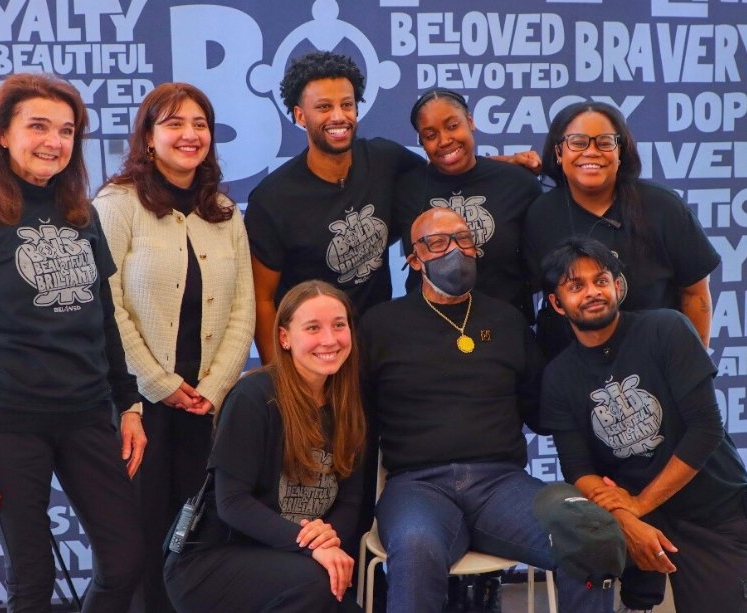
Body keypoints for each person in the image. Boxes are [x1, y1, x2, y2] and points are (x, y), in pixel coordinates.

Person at [0, 72, 145, 612]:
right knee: (33, 580)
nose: (54, 141)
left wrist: (130, 404)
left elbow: (104, 318)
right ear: (2, 133)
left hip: (87, 415)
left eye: (67, 131)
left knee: (124, 560)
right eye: (39, 126)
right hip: (8, 422)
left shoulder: (82, 213)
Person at [359, 208, 620, 612]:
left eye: (464, 239)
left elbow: (542, 410)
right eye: (438, 243)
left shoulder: (506, 320)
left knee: (589, 536)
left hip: (501, 484)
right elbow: (354, 417)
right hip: (417, 485)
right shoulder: (378, 326)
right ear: (414, 259)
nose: (455, 251)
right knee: (414, 549)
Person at [245, 51, 540, 365]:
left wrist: (507, 165)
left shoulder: (385, 160)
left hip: (377, 345)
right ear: (301, 116)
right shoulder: (273, 198)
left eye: (346, 104)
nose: (338, 116)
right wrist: (276, 375)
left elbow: (444, 167)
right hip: (312, 352)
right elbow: (262, 301)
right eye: (323, 107)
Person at [94, 82, 255, 613]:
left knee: (200, 538)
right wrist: (160, 384)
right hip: (138, 406)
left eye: (200, 124)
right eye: (174, 124)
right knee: (138, 542)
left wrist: (213, 387)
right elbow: (104, 305)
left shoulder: (226, 212)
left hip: (207, 408)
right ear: (148, 136)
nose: (190, 135)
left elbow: (243, 310)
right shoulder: (117, 206)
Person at [539, 237, 747, 613]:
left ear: (617, 286)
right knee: (583, 531)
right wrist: (626, 516)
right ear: (556, 303)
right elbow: (578, 470)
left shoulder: (666, 329)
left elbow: (706, 430)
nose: (592, 293)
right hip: (637, 516)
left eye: (601, 280)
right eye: (576, 286)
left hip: (713, 509)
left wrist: (637, 504)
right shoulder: (558, 376)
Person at [164, 280, 366, 612]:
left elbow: (350, 501)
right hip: (212, 559)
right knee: (316, 583)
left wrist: (326, 540)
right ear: (285, 338)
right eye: (313, 328)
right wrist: (309, 545)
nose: (330, 339)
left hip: (289, 556)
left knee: (340, 598)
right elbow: (232, 504)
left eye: (339, 326)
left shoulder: (349, 403)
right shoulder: (254, 396)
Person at [523, 101, 719, 359]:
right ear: (558, 152)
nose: (591, 152)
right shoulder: (540, 214)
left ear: (621, 152)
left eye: (604, 142)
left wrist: (693, 367)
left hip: (656, 366)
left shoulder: (663, 207)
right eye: (578, 142)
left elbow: (695, 294)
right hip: (570, 376)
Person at [396, 88, 542, 320]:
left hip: (505, 327)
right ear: (421, 142)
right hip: (428, 327)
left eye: (453, 126)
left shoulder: (518, 183)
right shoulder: (405, 190)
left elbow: (539, 267)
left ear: (471, 121)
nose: (444, 140)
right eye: (430, 135)